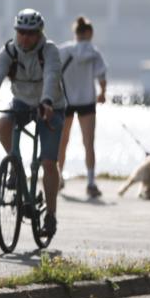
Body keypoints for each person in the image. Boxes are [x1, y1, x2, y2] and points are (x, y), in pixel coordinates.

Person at [0, 9, 66, 237]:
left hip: (51, 105)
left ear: (39, 34)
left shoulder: (49, 51)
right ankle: (15, 168)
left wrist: (46, 101)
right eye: (21, 33)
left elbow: (51, 76)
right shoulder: (9, 51)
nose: (24, 38)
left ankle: (51, 216)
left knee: (48, 162)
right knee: (3, 124)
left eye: (30, 33)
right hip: (22, 102)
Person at [58, 16, 108, 198]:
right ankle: (91, 182)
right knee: (89, 143)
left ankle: (58, 177)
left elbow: (52, 70)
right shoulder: (94, 52)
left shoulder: (64, 50)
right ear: (88, 33)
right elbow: (101, 75)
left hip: (66, 100)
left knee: (62, 142)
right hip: (87, 100)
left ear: (76, 33)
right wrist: (103, 92)